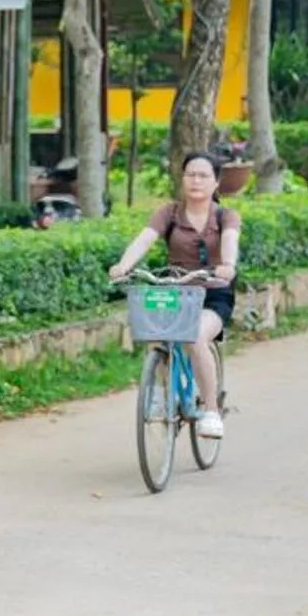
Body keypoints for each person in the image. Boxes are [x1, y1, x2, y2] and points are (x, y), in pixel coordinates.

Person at [108, 150, 239, 440]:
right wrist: (124, 265)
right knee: (155, 335)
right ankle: (161, 394)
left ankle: (211, 409)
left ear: (216, 182)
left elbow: (230, 241)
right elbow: (145, 239)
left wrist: (227, 266)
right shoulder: (168, 213)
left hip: (214, 293)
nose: (196, 180)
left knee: (195, 337)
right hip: (177, 291)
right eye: (190, 174)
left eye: (203, 175)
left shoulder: (224, 216)